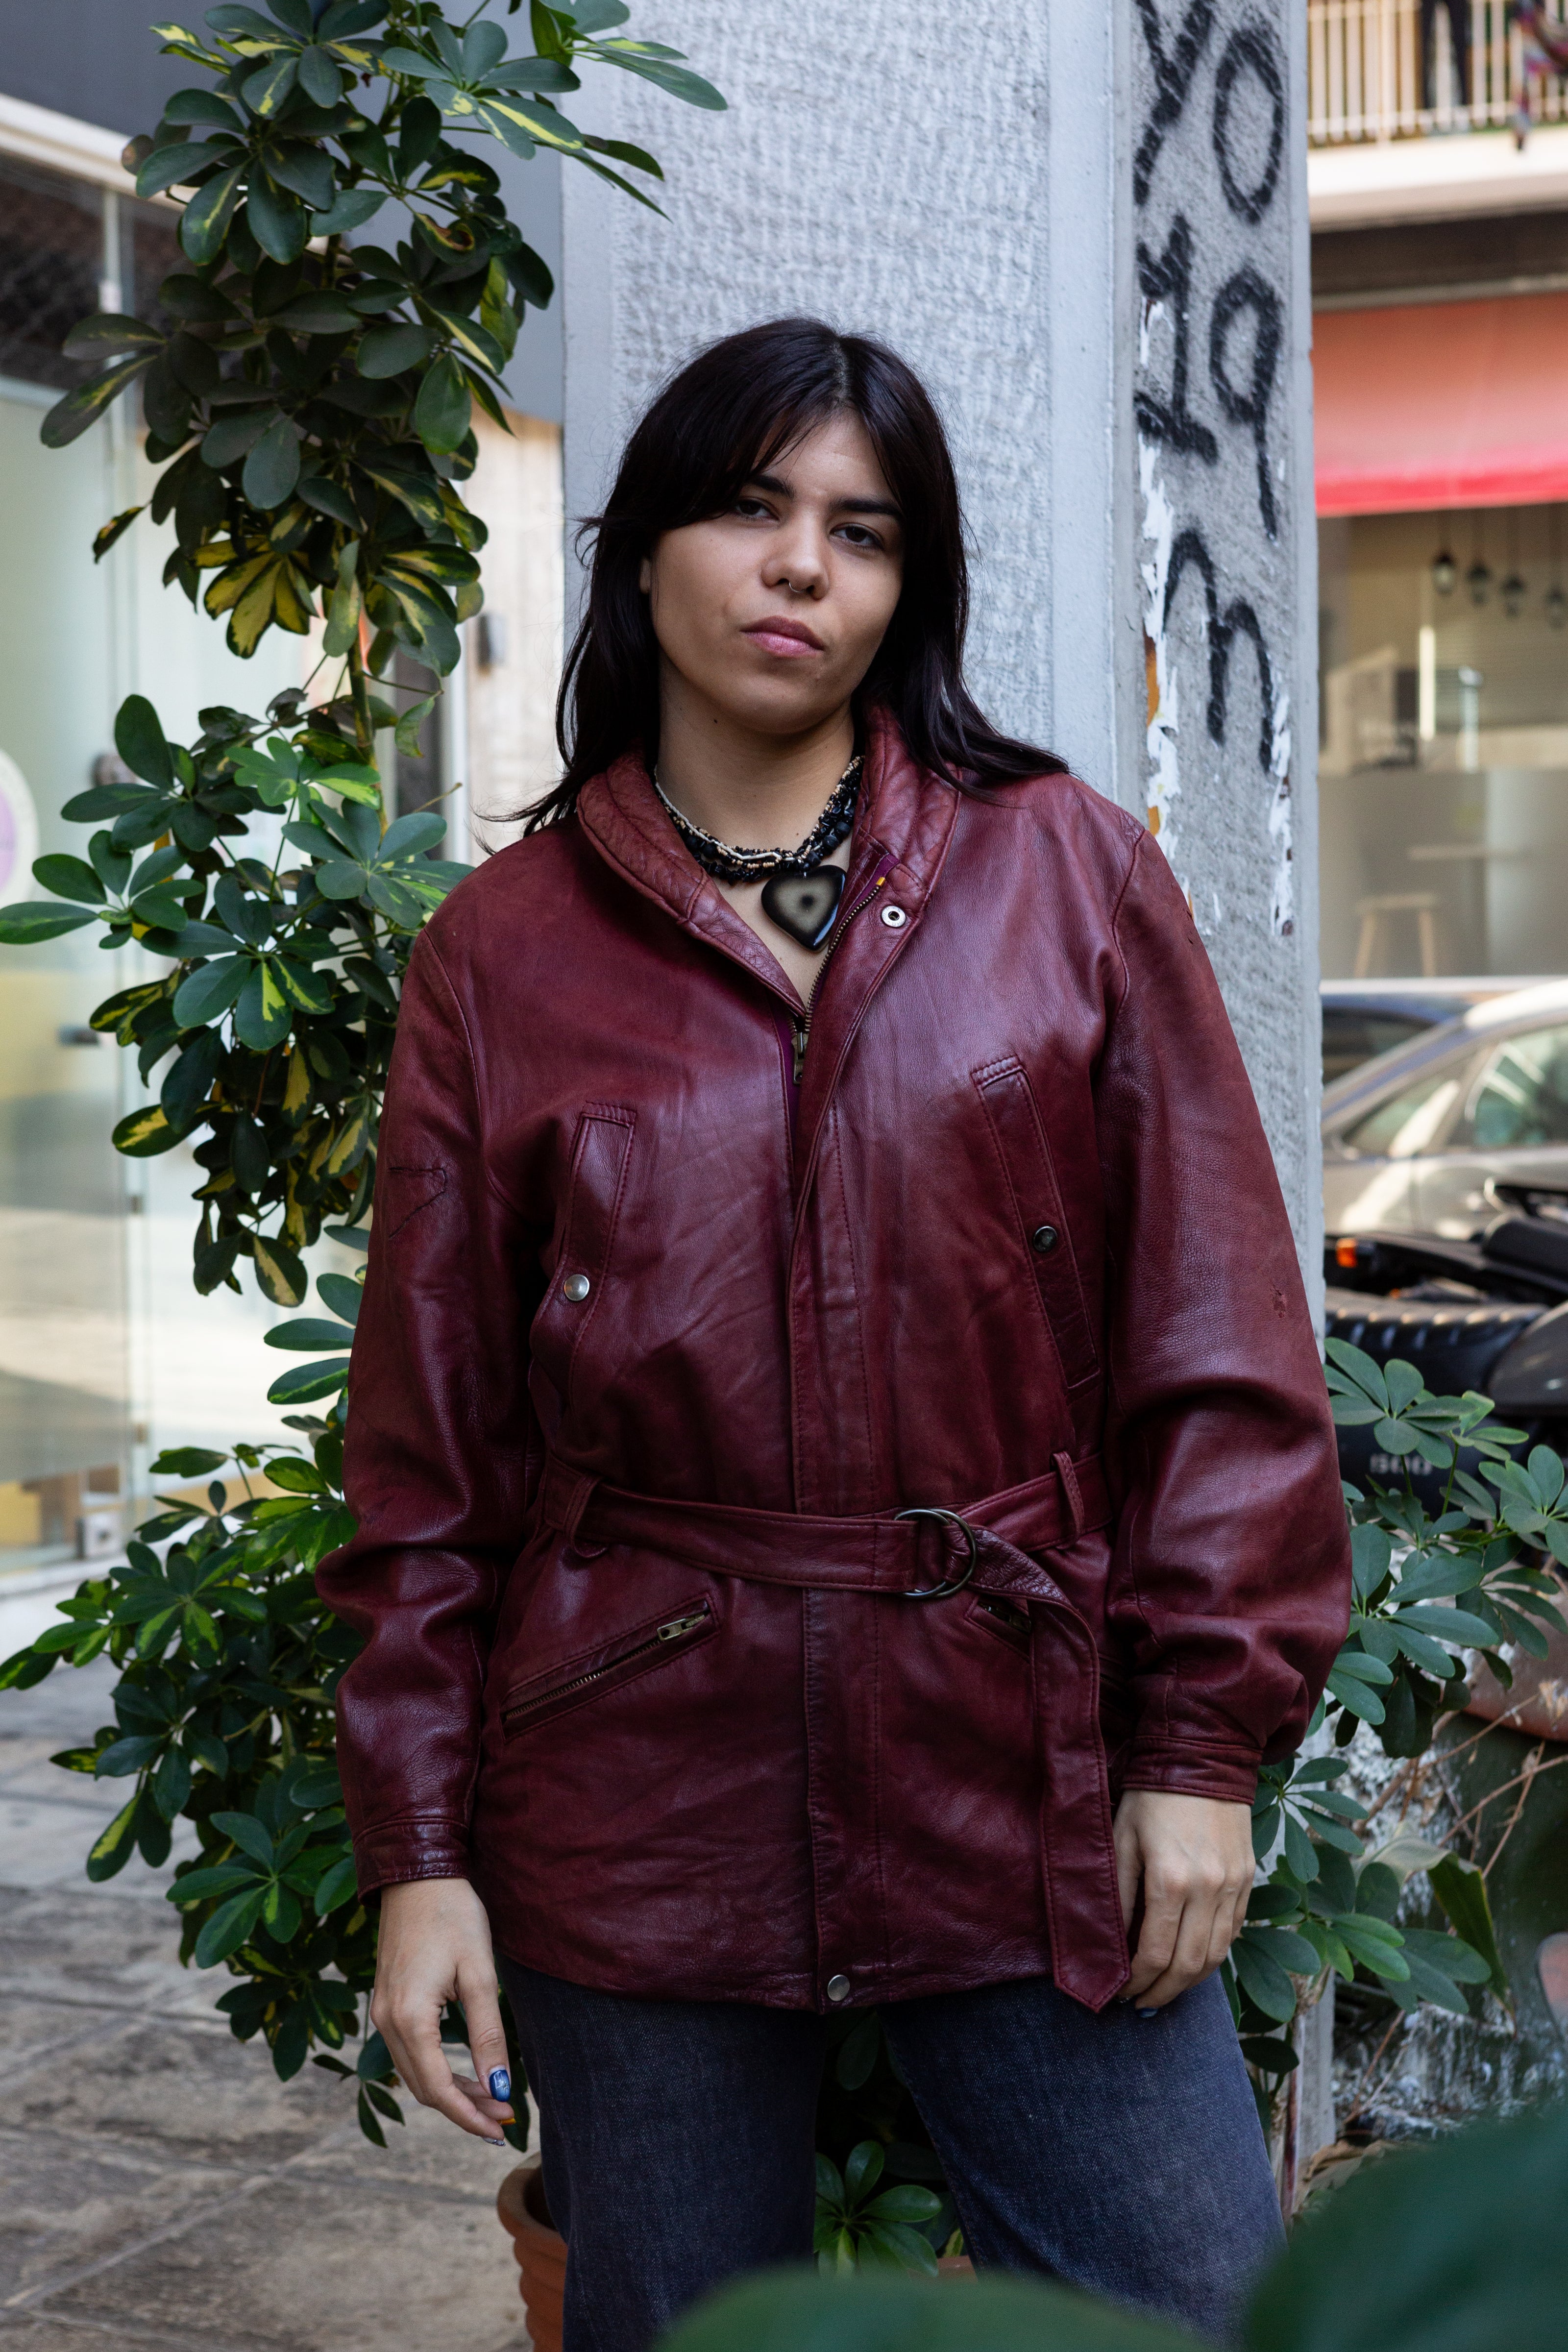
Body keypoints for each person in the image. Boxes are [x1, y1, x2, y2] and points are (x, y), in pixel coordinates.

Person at [318, 318, 1350, 2351]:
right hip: (637, 1785)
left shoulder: (1063, 873)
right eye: (748, 507)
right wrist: (418, 1854)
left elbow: (1214, 1334)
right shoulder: (497, 957)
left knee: (1205, 2313)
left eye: (860, 531)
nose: (800, 564)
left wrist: (1197, 1742)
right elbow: (431, 1457)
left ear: (906, 593)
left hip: (1020, 1760)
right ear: (643, 557)